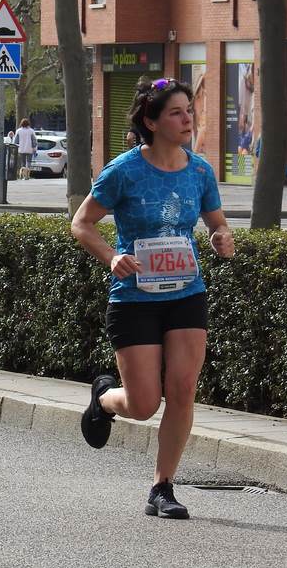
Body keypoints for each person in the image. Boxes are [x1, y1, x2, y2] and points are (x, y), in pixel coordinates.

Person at [71, 77, 235, 520]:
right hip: (134, 296)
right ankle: (105, 397)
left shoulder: (199, 170)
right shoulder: (124, 170)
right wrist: (112, 257)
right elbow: (81, 223)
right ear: (152, 121)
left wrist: (222, 237)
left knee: (182, 388)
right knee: (143, 405)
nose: (188, 119)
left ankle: (163, 486)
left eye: (189, 111)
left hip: (187, 292)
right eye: (177, 113)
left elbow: (217, 223)